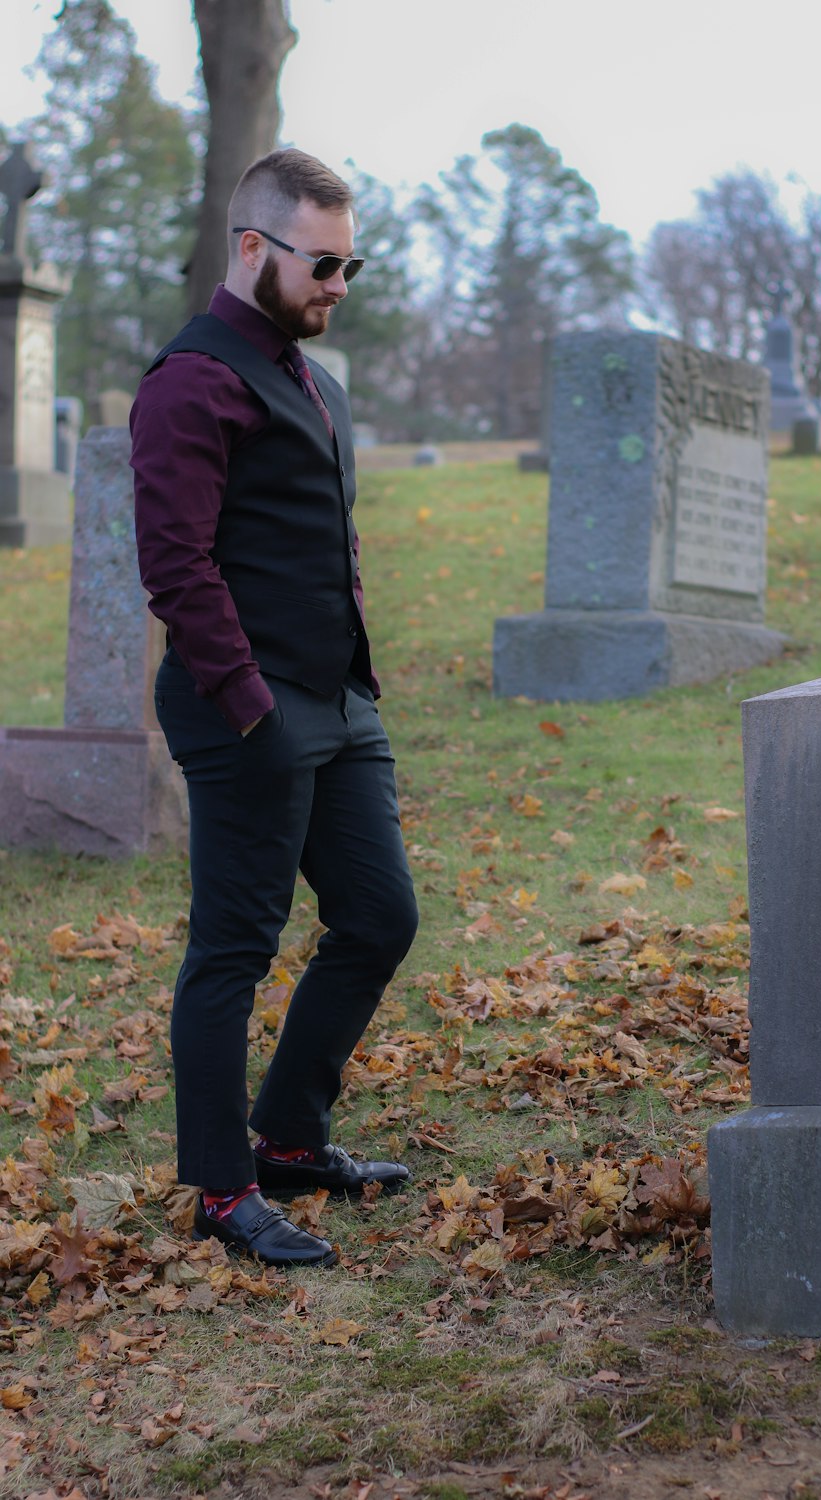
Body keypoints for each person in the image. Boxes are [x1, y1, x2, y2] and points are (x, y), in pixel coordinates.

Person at [130, 148, 419, 1270]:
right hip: (245, 708)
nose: (338, 285)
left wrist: (350, 684)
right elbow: (176, 568)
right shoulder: (190, 381)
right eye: (324, 264)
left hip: (339, 704)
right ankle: (220, 1188)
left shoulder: (314, 380)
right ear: (253, 248)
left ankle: (290, 1137)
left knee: (379, 918)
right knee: (231, 953)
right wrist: (250, 705)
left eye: (353, 265)